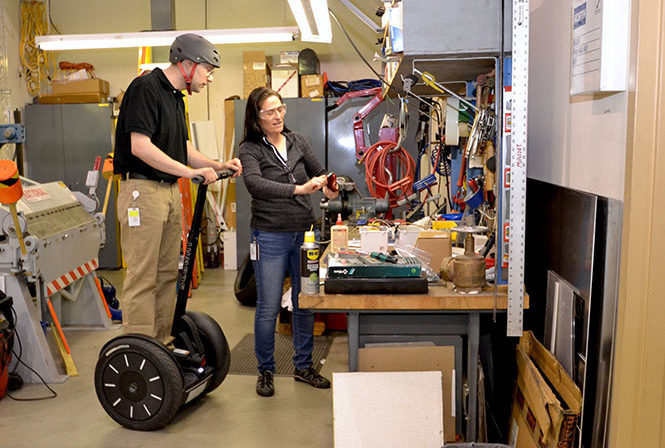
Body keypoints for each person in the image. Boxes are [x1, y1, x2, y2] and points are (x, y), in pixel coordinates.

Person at [113, 33, 242, 344]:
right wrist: (189, 173)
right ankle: (140, 349)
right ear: (187, 64)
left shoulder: (176, 98)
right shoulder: (145, 88)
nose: (210, 78)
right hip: (141, 192)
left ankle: (161, 343)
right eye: (208, 70)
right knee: (143, 276)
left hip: (168, 191)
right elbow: (141, 147)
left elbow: (182, 149)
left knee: (168, 272)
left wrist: (216, 164)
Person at [238, 86, 338, 397]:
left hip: (304, 233)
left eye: (280, 109)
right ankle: (265, 371)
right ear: (256, 117)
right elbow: (255, 184)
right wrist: (299, 190)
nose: (278, 115)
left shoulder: (298, 140)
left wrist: (329, 186)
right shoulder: (249, 149)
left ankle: (304, 367)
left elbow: (319, 172)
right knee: (268, 307)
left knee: (304, 302)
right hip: (269, 235)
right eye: (270, 112)